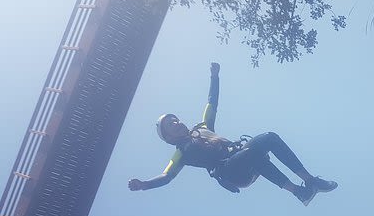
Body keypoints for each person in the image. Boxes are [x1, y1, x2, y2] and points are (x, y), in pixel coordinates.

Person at [128, 62, 337, 205]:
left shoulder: (202, 127)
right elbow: (166, 176)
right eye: (170, 125)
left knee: (268, 139)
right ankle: (298, 190)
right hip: (231, 172)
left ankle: (308, 185)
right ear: (169, 137)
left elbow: (212, 103)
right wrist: (144, 185)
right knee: (250, 153)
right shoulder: (180, 153)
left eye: (175, 119)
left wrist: (214, 76)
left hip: (244, 158)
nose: (176, 122)